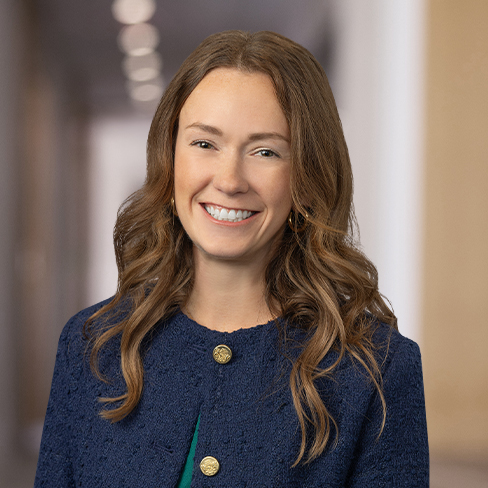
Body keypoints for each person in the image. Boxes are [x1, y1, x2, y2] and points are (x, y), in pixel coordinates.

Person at [35, 30, 429, 487]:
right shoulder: (93, 346)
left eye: (265, 151)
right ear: (170, 155)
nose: (229, 179)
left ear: (306, 173)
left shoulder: (375, 368)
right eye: (205, 143)